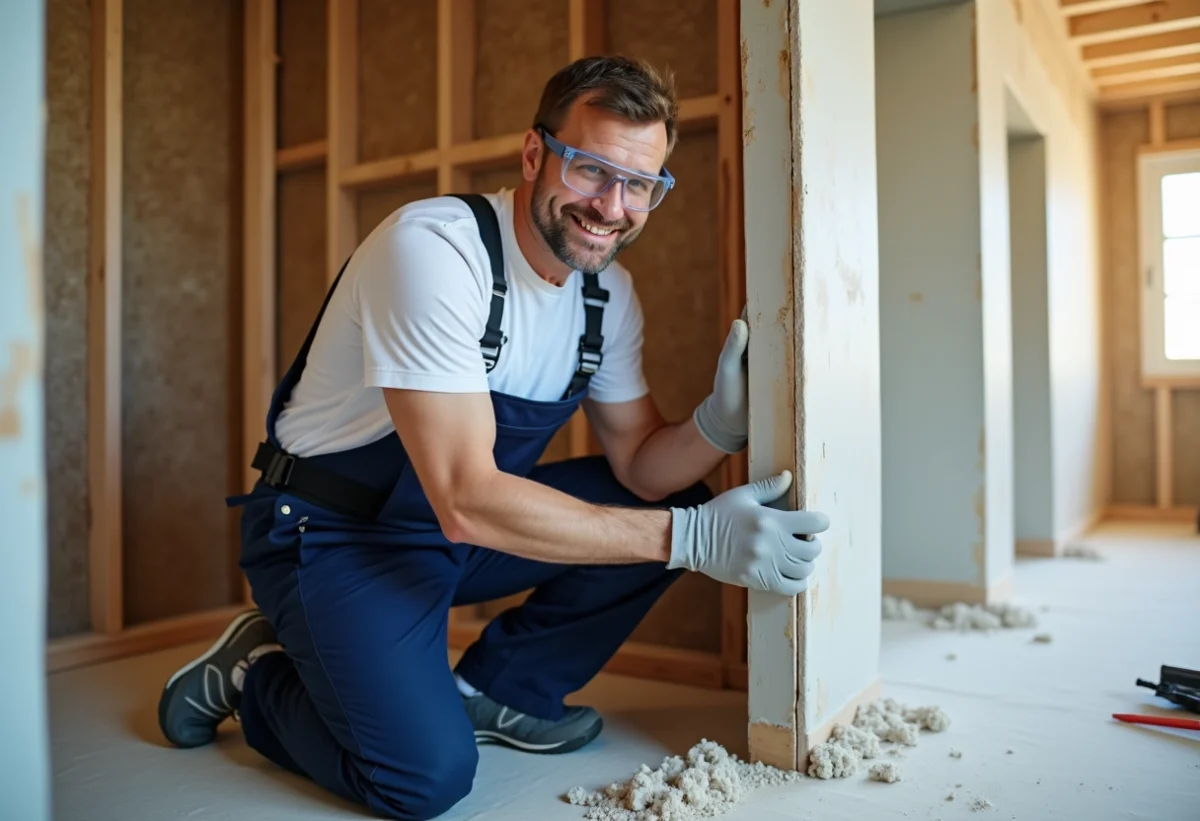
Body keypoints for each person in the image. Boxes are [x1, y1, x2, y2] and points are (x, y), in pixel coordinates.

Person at [156, 55, 830, 821]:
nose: (612, 206)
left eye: (639, 183)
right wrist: (693, 539)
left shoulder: (606, 295)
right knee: (423, 779)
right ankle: (256, 674)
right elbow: (468, 497)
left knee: (677, 494)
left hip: (455, 529)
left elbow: (643, 469)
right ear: (536, 153)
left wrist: (717, 426)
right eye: (590, 170)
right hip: (335, 535)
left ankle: (496, 689)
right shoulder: (438, 250)